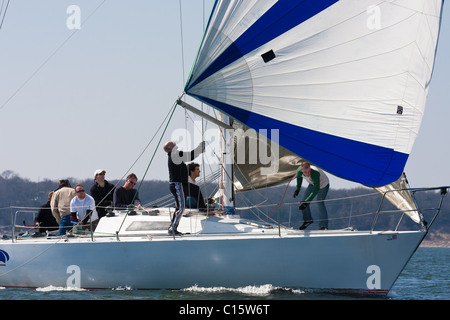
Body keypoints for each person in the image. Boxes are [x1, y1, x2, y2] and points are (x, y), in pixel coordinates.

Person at [163, 140, 205, 235]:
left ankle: (202, 207)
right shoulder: (174, 154)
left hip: (182, 184)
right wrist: (200, 148)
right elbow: (190, 156)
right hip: (178, 185)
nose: (174, 143)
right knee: (181, 207)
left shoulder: (175, 154)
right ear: (169, 148)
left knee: (195, 189)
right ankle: (172, 228)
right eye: (172, 144)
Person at [293, 161, 330, 230]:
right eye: (305, 173)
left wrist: (307, 202)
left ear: (310, 168)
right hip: (312, 183)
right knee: (303, 201)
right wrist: (298, 189)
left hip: (323, 185)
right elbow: (299, 178)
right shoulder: (299, 171)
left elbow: (315, 190)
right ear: (301, 170)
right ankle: (308, 220)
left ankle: (323, 226)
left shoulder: (315, 173)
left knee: (319, 202)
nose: (307, 174)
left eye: (308, 172)